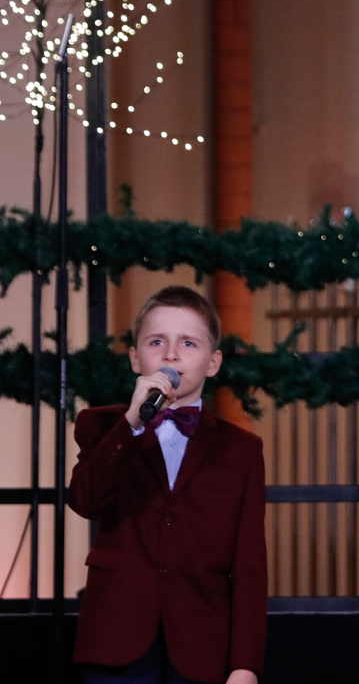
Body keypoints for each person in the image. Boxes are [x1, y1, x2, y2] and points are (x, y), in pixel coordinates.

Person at [69, 286, 266, 684]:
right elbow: (85, 500)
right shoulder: (103, 426)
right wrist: (132, 423)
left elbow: (249, 565)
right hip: (116, 639)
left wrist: (245, 664)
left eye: (188, 343)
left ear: (213, 362)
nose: (171, 355)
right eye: (157, 341)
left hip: (203, 643)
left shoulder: (241, 449)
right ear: (134, 357)